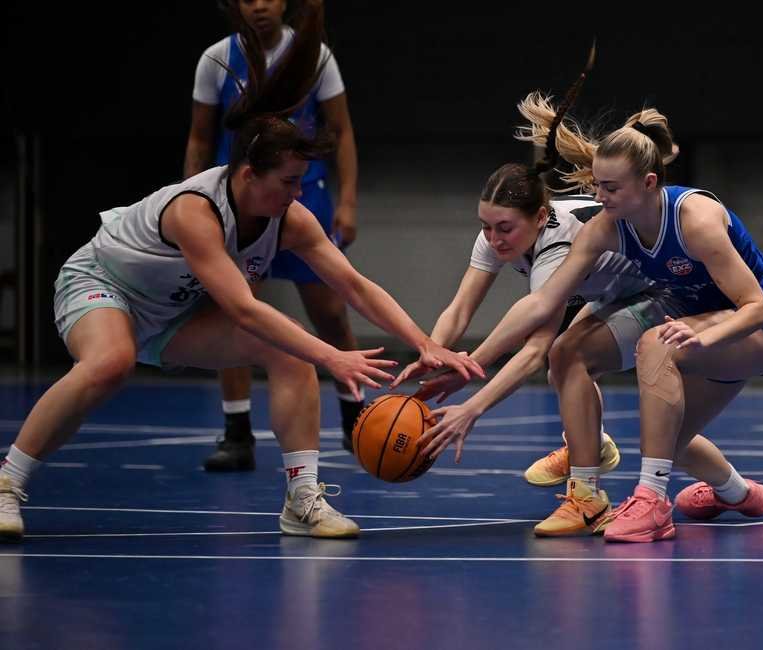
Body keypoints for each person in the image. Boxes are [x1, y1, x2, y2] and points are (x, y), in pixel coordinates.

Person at [0, 1, 482, 542]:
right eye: (289, 182)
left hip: (169, 311)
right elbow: (244, 309)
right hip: (102, 286)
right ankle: (7, 482)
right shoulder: (195, 212)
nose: (297, 194)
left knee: (288, 352)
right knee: (112, 361)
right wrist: (330, 356)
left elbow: (353, 285)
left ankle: (302, 500)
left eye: (302, 181)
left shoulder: (289, 217)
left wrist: (423, 342)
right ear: (250, 174)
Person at [407, 85, 763, 541]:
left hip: (762, 326)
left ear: (648, 183)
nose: (599, 197)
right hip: (683, 314)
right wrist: (465, 362)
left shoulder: (695, 220)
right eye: (597, 186)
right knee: (654, 427)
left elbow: (756, 307)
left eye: (609, 188)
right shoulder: (606, 228)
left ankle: (652, 502)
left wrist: (705, 338)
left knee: (656, 345)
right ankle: (738, 494)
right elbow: (541, 304)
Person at [184, 0, 365, 471]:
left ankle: (356, 418)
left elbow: (342, 130)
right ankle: (236, 431)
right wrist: (191, 201)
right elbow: (200, 138)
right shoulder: (216, 58)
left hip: (303, 197)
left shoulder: (315, 55)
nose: (259, 5)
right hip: (240, 202)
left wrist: (347, 201)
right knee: (238, 314)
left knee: (331, 313)